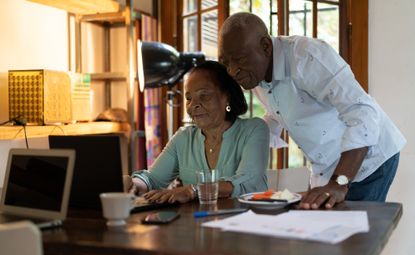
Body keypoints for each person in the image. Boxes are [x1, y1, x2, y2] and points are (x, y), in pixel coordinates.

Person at [218, 12, 406, 210]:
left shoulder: (307, 57)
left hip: (367, 162)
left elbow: (362, 113)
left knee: (355, 235)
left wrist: (339, 182)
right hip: (328, 169)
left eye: (239, 60)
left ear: (265, 46)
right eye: (225, 63)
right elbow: (277, 113)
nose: (232, 71)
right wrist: (242, 141)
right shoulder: (254, 73)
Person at [128, 60, 270, 203]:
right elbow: (152, 179)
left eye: (204, 96)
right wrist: (133, 184)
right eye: (189, 98)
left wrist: (193, 190)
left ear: (227, 97)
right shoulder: (183, 138)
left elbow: (247, 183)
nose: (193, 105)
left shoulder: (254, 129)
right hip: (197, 222)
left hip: (249, 221)